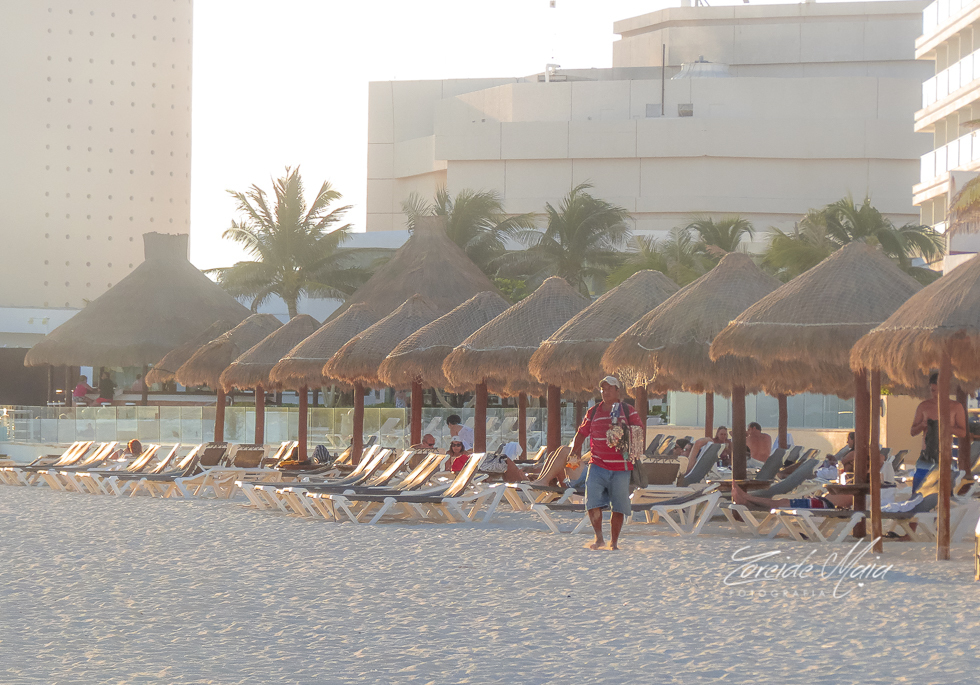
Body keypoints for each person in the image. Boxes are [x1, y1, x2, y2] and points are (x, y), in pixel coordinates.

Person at [570, 376, 643, 551]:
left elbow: (639, 432)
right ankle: (599, 538)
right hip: (597, 464)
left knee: (618, 506)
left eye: (610, 388)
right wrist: (574, 451)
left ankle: (614, 542)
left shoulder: (628, 411)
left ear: (618, 391)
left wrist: (622, 431)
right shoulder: (593, 411)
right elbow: (582, 432)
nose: (606, 391)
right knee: (592, 502)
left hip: (621, 467)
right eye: (603, 389)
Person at [910, 371, 967, 492]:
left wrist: (947, 428)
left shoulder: (956, 407)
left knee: (944, 492)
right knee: (917, 490)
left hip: (945, 455)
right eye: (933, 390)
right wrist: (922, 425)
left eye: (938, 391)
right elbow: (913, 432)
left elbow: (962, 433)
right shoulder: (924, 406)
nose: (935, 394)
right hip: (926, 455)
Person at [731, 483, 854, 510]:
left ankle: (747, 498)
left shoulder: (860, 493)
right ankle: (748, 502)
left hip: (823, 505)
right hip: (821, 501)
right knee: (781, 502)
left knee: (779, 504)